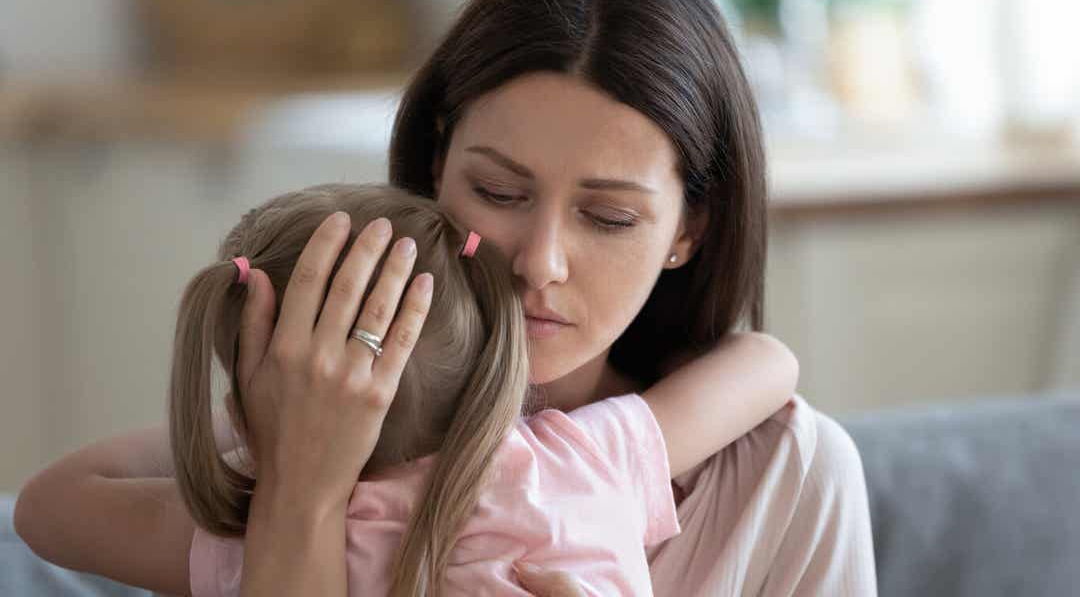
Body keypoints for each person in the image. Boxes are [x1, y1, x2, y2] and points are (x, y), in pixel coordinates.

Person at [20, 0, 878, 594]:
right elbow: (48, 511)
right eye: (501, 194)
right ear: (436, 166)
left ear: (690, 227)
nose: (539, 261)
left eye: (609, 217)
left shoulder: (788, 477)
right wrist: (298, 491)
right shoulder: (305, 434)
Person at [13, 183, 795, 596]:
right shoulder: (574, 463)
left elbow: (47, 509)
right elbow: (768, 363)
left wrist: (262, 432)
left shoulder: (267, 537)